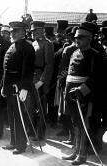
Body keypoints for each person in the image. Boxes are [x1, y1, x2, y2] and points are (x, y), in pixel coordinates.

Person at [61, 22, 104, 165]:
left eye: (80, 38)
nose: (76, 40)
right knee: (75, 123)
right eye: (75, 38)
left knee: (83, 123)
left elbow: (96, 78)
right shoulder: (74, 52)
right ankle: (75, 150)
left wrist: (81, 90)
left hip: (83, 95)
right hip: (70, 92)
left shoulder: (95, 55)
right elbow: (70, 73)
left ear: (89, 38)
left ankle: (82, 154)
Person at [1, 21, 35, 154]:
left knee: (20, 117)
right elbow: (6, 69)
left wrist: (25, 88)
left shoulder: (28, 47)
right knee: (11, 116)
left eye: (15, 31)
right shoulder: (12, 46)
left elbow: (28, 70)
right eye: (11, 31)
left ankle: (21, 145)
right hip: (10, 88)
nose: (12, 33)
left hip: (19, 89)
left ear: (23, 32)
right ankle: (13, 142)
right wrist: (4, 86)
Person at [29, 21, 55, 140]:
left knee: (41, 108)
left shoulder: (47, 44)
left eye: (35, 31)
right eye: (32, 31)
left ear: (42, 31)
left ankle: (40, 133)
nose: (33, 33)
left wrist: (42, 81)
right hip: (32, 79)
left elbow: (49, 65)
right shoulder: (34, 43)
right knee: (31, 106)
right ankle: (32, 130)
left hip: (40, 80)